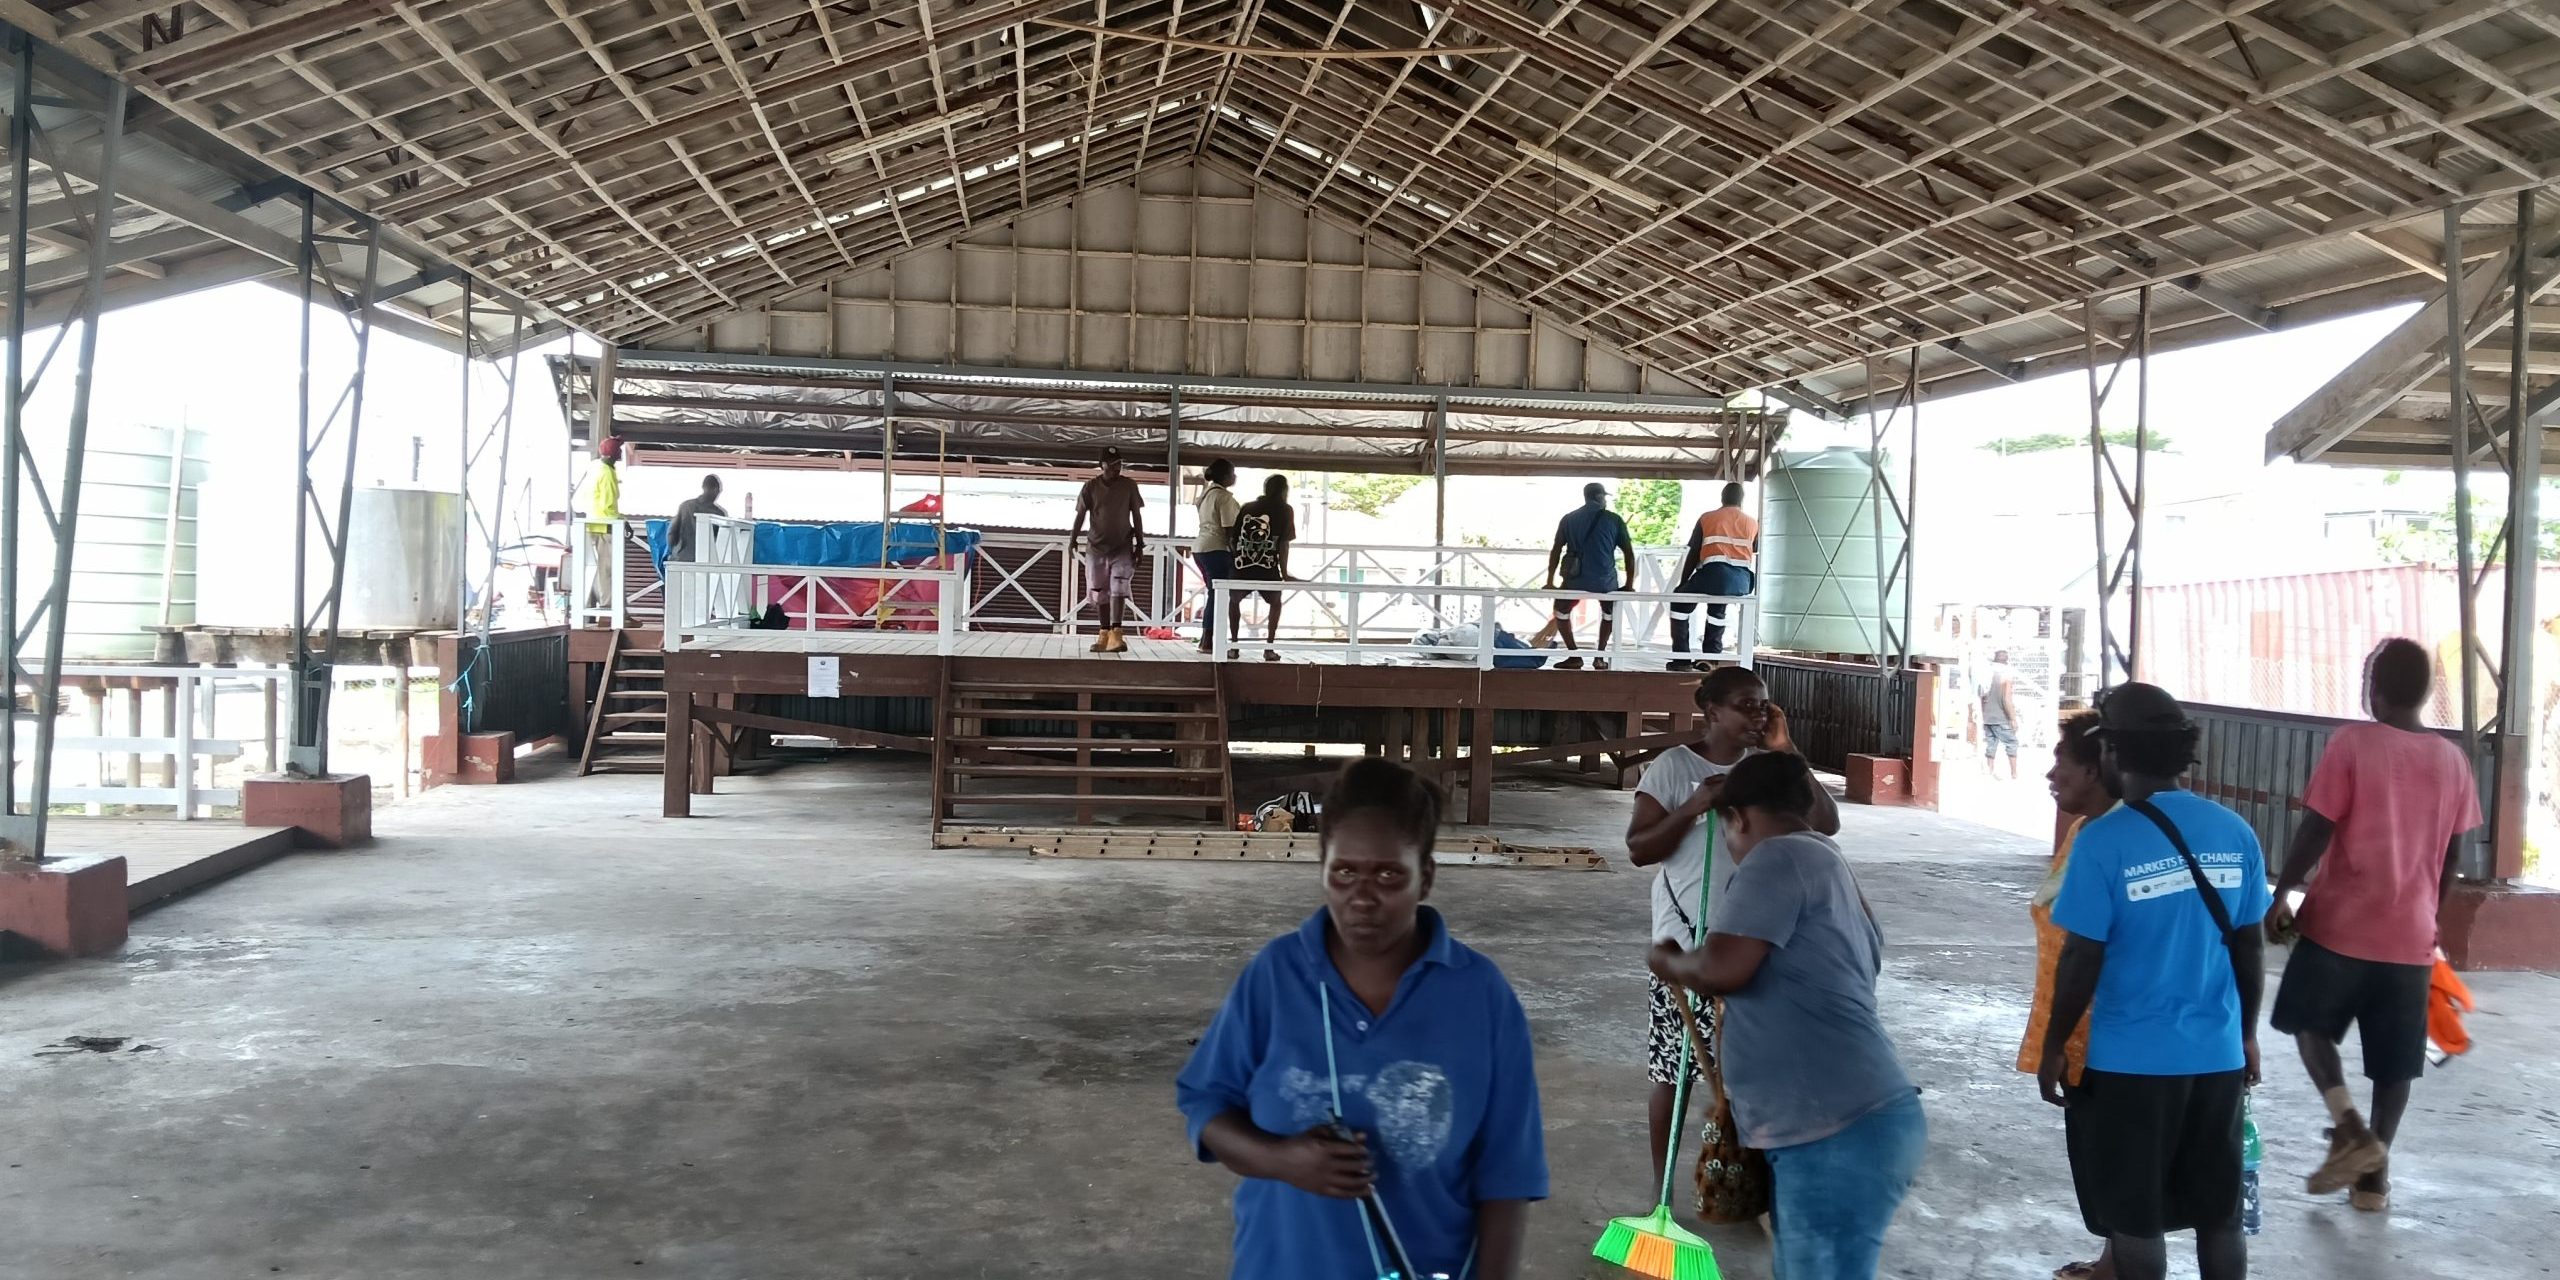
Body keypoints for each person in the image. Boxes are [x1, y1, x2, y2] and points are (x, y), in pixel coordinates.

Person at [1176, 757, 1549, 1280]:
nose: (1363, 898)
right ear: (1323, 870)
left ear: (1426, 879)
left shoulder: (1480, 996)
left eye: (1390, 874)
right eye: (1344, 872)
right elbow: (1205, 1103)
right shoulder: (1277, 976)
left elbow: (1507, 1175)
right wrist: (1282, 1160)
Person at [1649, 751, 1926, 1280]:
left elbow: (1723, 968)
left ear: (1740, 817)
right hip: (1850, 1121)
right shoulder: (1828, 862)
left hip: (1832, 1130)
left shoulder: (1775, 859)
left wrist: (1670, 959)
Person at [2039, 682, 2269, 1280]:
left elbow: (2081, 959)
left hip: (2130, 1066)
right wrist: (2245, 1035)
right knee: (2218, 1217)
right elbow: (2249, 946)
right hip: (2216, 1060)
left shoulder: (2103, 842)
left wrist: (2054, 1045)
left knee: (2136, 1221)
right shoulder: (2234, 832)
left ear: (2113, 753)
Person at [2266, 637, 2480, 1213]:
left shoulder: (2354, 743)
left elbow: (2317, 828)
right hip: (2410, 935)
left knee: (2308, 1025)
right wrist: (2427, 918)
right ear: (2425, 692)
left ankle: (2349, 1127)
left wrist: (2282, 891)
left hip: (2340, 925)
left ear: (2374, 689)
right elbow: (2454, 857)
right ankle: (2373, 1179)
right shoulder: (2454, 759)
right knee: (2395, 1062)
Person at [1625, 664, 1840, 1191]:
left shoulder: (1768, 771)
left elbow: (1827, 823)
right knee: (1672, 1076)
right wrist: (1697, 804)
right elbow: (1639, 848)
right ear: (1711, 710)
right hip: (1686, 943)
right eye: (1745, 704)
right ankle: (1662, 1187)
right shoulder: (1673, 767)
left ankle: (1745, 1189)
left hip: (1754, 945)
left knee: (1753, 1077)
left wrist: (1787, 749)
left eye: (1764, 705)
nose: (1757, 713)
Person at [2019, 711, 2116, 1280]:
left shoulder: (2112, 840)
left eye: (2063, 761)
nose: (2052, 774)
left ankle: (2121, 1263)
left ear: (2098, 767)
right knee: (2096, 1147)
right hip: (2077, 1022)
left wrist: (2058, 1039)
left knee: (2111, 1150)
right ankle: (2116, 1257)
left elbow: (2088, 950)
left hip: (2102, 1026)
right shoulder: (2085, 832)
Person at [1545, 482, 1636, 670]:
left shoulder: (1569, 519)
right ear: (1598, 497)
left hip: (1574, 579)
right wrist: (1628, 584)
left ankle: (1574, 656)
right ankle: (1600, 657)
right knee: (1609, 613)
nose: (1605, 501)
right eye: (1604, 497)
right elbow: (1628, 552)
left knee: (1561, 611)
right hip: (1605, 580)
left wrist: (1550, 581)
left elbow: (1556, 549)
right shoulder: (1614, 519)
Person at [1667, 482, 1757, 671]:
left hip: (1714, 574)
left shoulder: (1708, 518)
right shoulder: (1752, 523)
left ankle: (1681, 659)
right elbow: (1755, 549)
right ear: (1742, 500)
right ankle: (1710, 658)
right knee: (1717, 611)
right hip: (1742, 581)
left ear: (1722, 498)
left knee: (1679, 603)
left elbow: (1693, 553)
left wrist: (1683, 583)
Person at [1068, 446, 1145, 654]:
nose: (1115, 469)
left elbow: (1136, 515)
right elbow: (1080, 515)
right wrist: (1072, 539)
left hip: (1122, 545)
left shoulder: (1129, 486)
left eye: (1119, 464)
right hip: (1096, 547)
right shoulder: (1090, 487)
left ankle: (1117, 632)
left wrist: (1140, 543)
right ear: (1101, 465)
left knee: (1119, 587)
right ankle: (1103, 633)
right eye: (1111, 465)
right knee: (1099, 590)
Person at [1226, 474, 1295, 662]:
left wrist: (1236, 557)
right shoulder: (1286, 510)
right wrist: (1285, 572)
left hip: (1242, 564)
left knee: (1234, 601)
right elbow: (1284, 544)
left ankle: (1233, 645)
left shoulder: (1248, 507)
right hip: (1268, 566)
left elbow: (1233, 538)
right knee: (1275, 603)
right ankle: (1269, 648)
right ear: (1283, 490)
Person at [1192, 459, 1242, 653]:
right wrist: (1237, 554)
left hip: (1200, 548)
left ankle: (1206, 639)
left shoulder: (1206, 494)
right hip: (1216, 548)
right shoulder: (1224, 497)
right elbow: (1229, 530)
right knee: (1218, 595)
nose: (1235, 476)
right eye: (1233, 472)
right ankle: (1208, 640)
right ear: (1226, 476)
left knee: (1213, 593)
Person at [579, 436, 624, 611]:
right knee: (608, 569)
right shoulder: (606, 473)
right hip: (605, 526)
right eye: (618, 449)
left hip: (594, 524)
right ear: (613, 453)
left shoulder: (595, 467)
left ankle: (610, 605)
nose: (620, 451)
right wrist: (622, 522)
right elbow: (608, 506)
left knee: (601, 568)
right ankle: (608, 606)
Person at [665, 474, 725, 564]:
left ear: (703, 487)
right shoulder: (718, 514)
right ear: (715, 490)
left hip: (681, 559)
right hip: (706, 563)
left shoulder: (685, 506)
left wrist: (675, 551)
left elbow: (672, 533)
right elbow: (723, 542)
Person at [1981, 650, 2022, 780]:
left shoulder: (1987, 674)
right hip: (2001, 718)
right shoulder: (2006, 675)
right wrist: (2013, 718)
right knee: (2012, 742)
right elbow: (2006, 699)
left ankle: (1990, 771)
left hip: (1988, 717)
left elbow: (1982, 697)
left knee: (1991, 743)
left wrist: (1984, 714)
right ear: (2006, 661)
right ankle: (2014, 773)